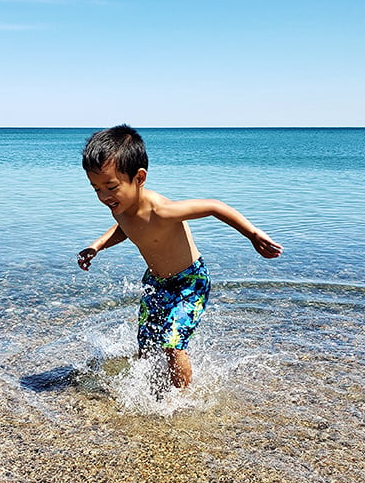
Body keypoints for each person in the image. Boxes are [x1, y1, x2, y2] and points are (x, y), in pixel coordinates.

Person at [77, 125, 283, 389]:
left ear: (139, 178)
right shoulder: (119, 207)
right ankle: (151, 390)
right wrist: (98, 245)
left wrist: (252, 234)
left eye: (111, 186)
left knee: (173, 345)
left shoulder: (163, 210)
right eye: (96, 189)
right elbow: (126, 229)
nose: (104, 196)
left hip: (190, 282)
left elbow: (213, 206)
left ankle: (181, 402)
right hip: (156, 283)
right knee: (148, 343)